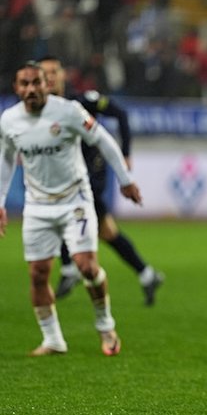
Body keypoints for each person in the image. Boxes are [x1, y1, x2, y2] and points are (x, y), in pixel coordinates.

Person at [0, 61, 143, 356]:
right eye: (24, 84)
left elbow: (104, 139)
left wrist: (126, 180)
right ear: (16, 88)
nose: (30, 89)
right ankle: (53, 340)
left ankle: (106, 326)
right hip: (37, 207)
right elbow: (5, 160)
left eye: (36, 83)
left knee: (86, 266)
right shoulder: (9, 120)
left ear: (46, 85)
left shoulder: (68, 112)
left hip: (75, 200)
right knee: (38, 274)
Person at [38, 56, 164, 306]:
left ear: (64, 74)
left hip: (91, 175)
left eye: (54, 71)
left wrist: (126, 152)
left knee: (65, 212)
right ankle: (147, 274)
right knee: (108, 232)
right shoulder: (41, 110)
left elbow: (121, 113)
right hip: (66, 176)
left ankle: (68, 269)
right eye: (44, 73)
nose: (50, 77)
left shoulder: (83, 101)